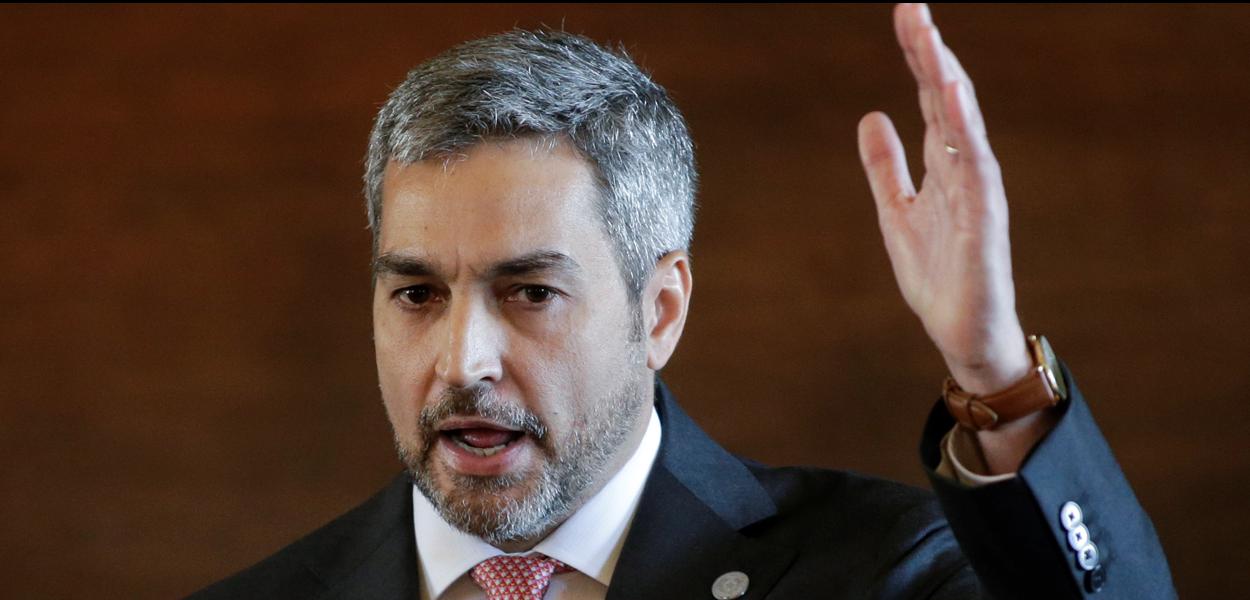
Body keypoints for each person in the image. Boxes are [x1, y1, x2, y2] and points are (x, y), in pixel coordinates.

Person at [190, 4, 1174, 599]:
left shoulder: (886, 573)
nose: (461, 362)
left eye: (528, 290)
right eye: (415, 292)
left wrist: (992, 375)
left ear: (658, 310)